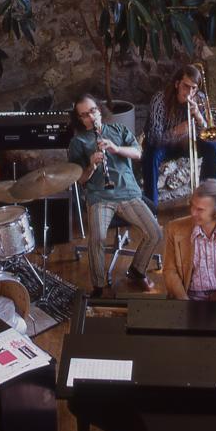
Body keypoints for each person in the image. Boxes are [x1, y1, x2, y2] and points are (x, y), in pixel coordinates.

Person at [68, 94, 163, 296]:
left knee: (155, 233)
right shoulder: (78, 142)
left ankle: (137, 270)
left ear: (100, 110)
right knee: (98, 238)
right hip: (99, 196)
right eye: (84, 115)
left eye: (93, 111)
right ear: (79, 120)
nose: (91, 117)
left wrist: (116, 148)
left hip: (128, 192)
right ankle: (99, 286)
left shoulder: (118, 130)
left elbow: (138, 153)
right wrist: (92, 165)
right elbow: (80, 180)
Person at [142, 65, 216, 210]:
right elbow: (153, 138)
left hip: (186, 143)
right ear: (177, 84)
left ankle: (209, 198)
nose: (189, 92)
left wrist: (198, 115)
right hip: (164, 145)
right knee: (150, 155)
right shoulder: (160, 100)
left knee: (213, 147)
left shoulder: (199, 99)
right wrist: (177, 131)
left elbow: (208, 134)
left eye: (194, 88)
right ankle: (151, 209)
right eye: (186, 86)